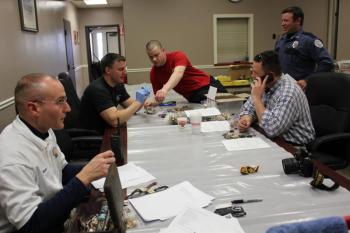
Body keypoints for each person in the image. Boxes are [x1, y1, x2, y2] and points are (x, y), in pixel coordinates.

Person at [0, 73, 115, 233]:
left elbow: (61, 170)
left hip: (55, 217)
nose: (68, 108)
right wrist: (84, 177)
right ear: (33, 108)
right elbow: (31, 225)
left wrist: (97, 168)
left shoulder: (44, 129)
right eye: (60, 101)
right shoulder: (12, 157)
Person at [237, 50, 315, 146]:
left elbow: (271, 129)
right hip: (273, 140)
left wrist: (257, 99)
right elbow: (246, 109)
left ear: (270, 76)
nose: (252, 76)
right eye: (252, 71)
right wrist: (246, 119)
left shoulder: (289, 93)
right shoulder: (265, 86)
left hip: (294, 147)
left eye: (255, 73)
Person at [79, 53, 149, 135]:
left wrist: (142, 99)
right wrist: (137, 102)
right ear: (108, 70)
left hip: (108, 130)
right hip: (95, 138)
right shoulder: (97, 89)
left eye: (125, 69)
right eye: (120, 69)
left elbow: (132, 107)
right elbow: (115, 120)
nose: (125, 73)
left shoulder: (118, 84)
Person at [144, 40, 227, 105]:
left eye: (156, 55)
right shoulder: (154, 73)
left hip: (208, 85)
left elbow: (178, 73)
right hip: (193, 96)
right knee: (210, 111)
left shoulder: (178, 55)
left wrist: (164, 89)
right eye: (151, 57)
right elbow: (159, 99)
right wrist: (151, 102)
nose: (154, 59)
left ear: (163, 50)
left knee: (228, 105)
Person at [275, 6, 333, 90]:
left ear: (298, 21)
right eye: (282, 20)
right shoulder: (281, 40)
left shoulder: (309, 40)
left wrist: (307, 80)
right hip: (283, 88)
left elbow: (327, 63)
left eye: (286, 20)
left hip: (301, 89)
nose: (282, 24)